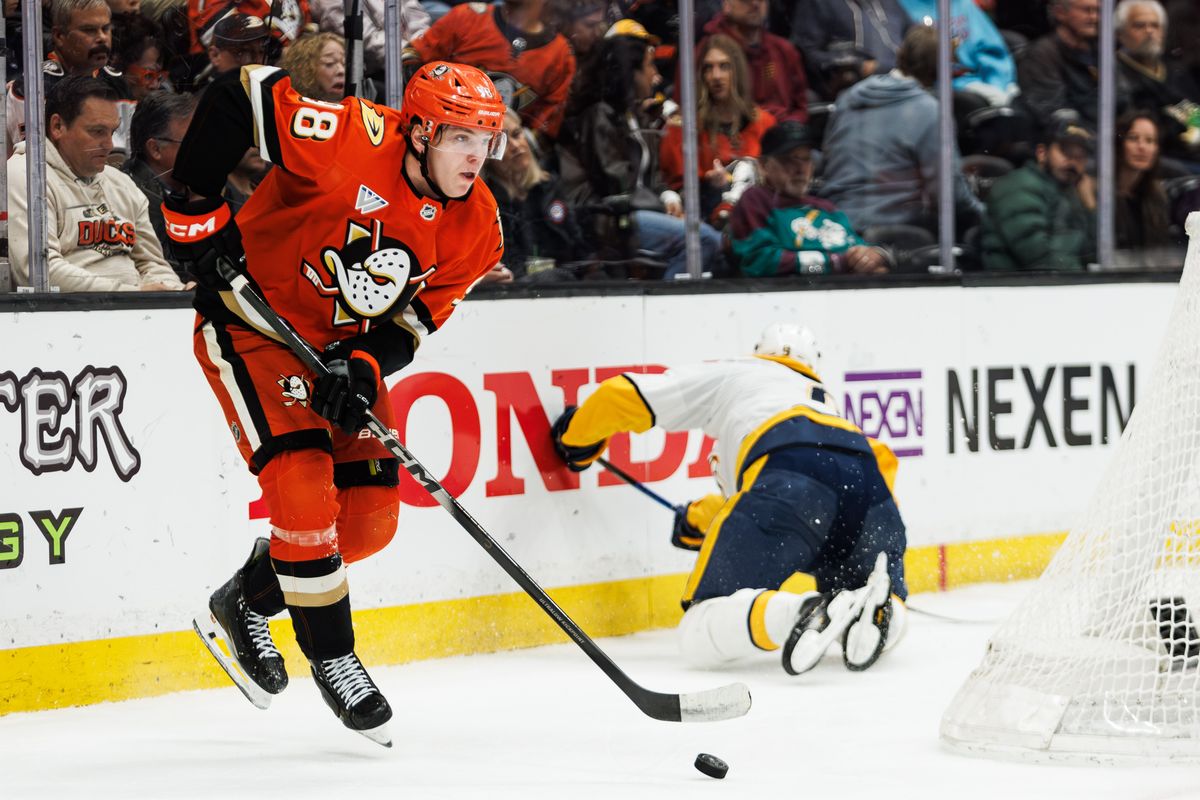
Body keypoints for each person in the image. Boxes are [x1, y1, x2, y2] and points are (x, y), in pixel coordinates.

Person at [164, 60, 506, 745]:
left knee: (371, 523)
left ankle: (246, 598)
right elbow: (241, 93)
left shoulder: (481, 228)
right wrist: (193, 206)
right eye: (459, 137)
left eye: (485, 140)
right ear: (418, 133)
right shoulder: (348, 137)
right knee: (302, 489)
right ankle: (334, 656)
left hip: (334, 361)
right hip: (252, 330)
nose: (475, 156)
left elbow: (411, 323)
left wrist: (363, 365)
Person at [549, 322, 908, 676]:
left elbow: (623, 395)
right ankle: (887, 614)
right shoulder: (823, 403)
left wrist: (577, 439)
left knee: (699, 629)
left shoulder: (742, 373)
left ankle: (800, 612)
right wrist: (696, 520)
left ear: (759, 351)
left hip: (789, 472)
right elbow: (866, 466)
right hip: (868, 484)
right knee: (865, 595)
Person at [557, 32, 726, 279]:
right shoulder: (599, 116)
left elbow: (652, 176)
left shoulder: (635, 116)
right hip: (610, 220)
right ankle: (668, 305)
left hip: (638, 212)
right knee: (703, 240)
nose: (655, 75)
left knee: (714, 239)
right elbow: (616, 184)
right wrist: (661, 207)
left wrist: (668, 197)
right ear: (630, 72)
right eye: (649, 66)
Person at [8, 76, 188, 292]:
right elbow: (39, 272)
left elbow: (153, 264)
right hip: (67, 316)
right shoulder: (26, 174)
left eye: (112, 132)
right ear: (57, 126)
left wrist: (172, 290)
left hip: (138, 311)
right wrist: (134, 295)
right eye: (97, 132)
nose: (110, 145)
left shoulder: (121, 183)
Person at [817, 24, 983, 234]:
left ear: (901, 54)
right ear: (941, 69)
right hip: (892, 231)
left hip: (835, 225)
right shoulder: (930, 111)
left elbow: (826, 163)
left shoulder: (848, 97)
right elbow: (949, 196)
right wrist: (988, 215)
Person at [731, 122, 889, 276]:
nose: (801, 169)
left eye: (806, 159)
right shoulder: (756, 200)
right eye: (789, 159)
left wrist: (873, 256)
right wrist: (833, 264)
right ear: (764, 165)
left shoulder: (827, 208)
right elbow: (760, 262)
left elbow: (858, 248)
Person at [404, 0, 575, 141]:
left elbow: (543, 131)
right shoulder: (468, 16)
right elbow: (412, 58)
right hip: (439, 133)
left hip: (502, 158)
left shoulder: (561, 56)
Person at [658, 34, 776, 224]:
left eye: (724, 66)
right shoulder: (682, 128)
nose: (716, 76)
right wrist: (707, 185)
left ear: (737, 71)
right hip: (704, 216)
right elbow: (674, 188)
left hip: (758, 216)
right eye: (708, 68)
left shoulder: (764, 123)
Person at [981, 116, 1096, 270]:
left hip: (1053, 285)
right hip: (1014, 288)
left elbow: (1094, 250)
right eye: (1066, 152)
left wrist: (1090, 206)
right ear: (1042, 153)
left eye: (1080, 156)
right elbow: (1039, 256)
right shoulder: (1019, 186)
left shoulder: (1072, 191)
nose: (1073, 162)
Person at [483, 109, 584, 280]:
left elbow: (578, 248)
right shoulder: (488, 203)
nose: (515, 146)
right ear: (487, 156)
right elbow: (510, 268)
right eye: (503, 142)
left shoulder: (550, 188)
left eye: (517, 135)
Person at [121, 90, 197, 278]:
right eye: (193, 141)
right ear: (155, 149)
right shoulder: (128, 197)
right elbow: (173, 272)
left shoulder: (203, 189)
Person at [698, 0, 808, 124]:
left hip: (780, 134)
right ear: (726, 4)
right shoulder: (706, 53)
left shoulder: (784, 50)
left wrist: (788, 128)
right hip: (726, 136)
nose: (755, 4)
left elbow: (800, 108)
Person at [789, 0, 913, 100]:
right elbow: (805, 52)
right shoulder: (819, 3)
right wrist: (857, 64)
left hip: (907, 82)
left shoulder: (889, 4)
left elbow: (913, 35)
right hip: (860, 91)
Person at [1017, 0, 1100, 129]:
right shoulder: (1042, 54)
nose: (1094, 17)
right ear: (1060, 12)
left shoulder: (1101, 51)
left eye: (1098, 11)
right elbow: (1049, 110)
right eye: (1086, 10)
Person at [1113, 111, 1173, 252]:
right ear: (1119, 143)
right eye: (1133, 138)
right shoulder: (1098, 192)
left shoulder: (1156, 196)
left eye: (1150, 140)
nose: (1142, 147)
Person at [277, 32, 345, 101]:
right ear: (305, 70)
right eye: (329, 63)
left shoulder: (353, 108)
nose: (341, 70)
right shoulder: (284, 107)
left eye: (344, 64)